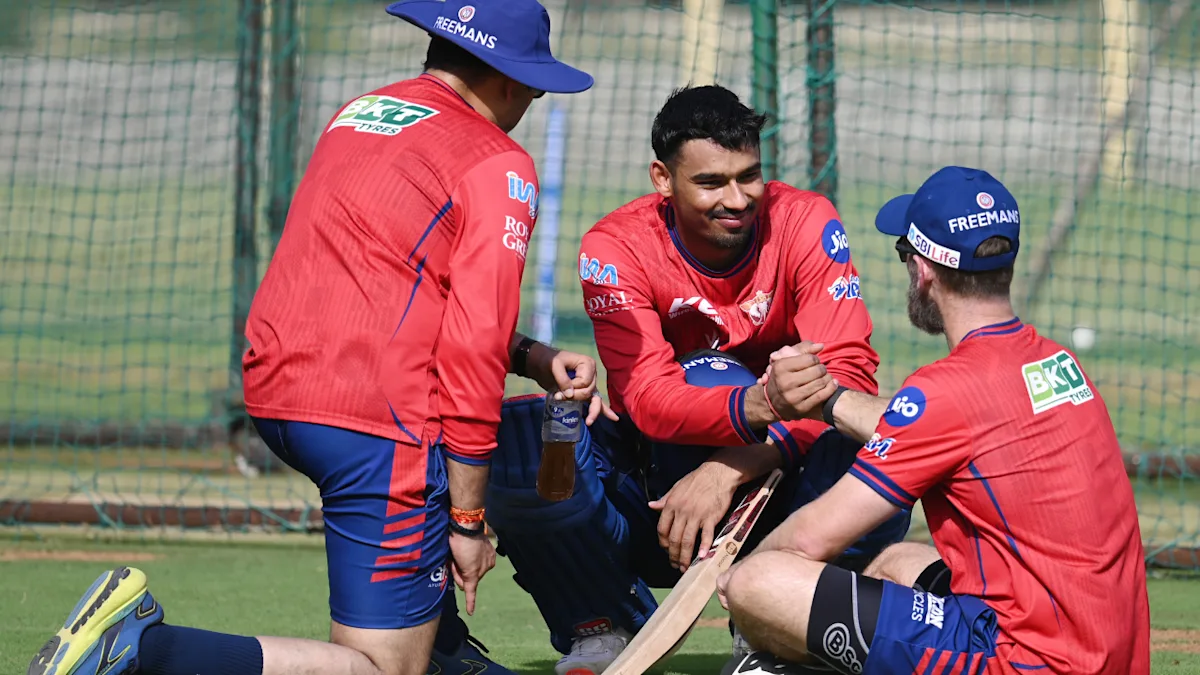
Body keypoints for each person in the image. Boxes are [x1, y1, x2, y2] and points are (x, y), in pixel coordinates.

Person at [26, 2, 595, 675]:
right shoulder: (499, 162)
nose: (531, 100)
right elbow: (472, 343)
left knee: (414, 574)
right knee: (382, 668)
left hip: (279, 391)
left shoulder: (361, 113)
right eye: (532, 86)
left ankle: (441, 644)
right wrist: (469, 520)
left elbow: (395, 281)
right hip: (374, 419)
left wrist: (529, 356)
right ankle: (144, 648)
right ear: (505, 78)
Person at [481, 84, 911, 675]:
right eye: (711, 182)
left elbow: (846, 375)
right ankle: (601, 622)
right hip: (658, 492)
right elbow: (647, 398)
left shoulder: (805, 220)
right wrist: (760, 402)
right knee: (532, 441)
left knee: (875, 437)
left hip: (786, 481)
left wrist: (733, 465)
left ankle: (780, 630)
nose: (737, 199)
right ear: (663, 178)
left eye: (749, 176)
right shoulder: (616, 245)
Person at [715, 166, 1151, 675]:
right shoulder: (1058, 363)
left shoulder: (943, 391)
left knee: (759, 582)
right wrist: (827, 399)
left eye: (904, 253)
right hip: (1106, 653)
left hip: (1023, 659)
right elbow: (936, 427)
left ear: (922, 269)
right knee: (898, 561)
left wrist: (734, 581)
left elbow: (809, 540)